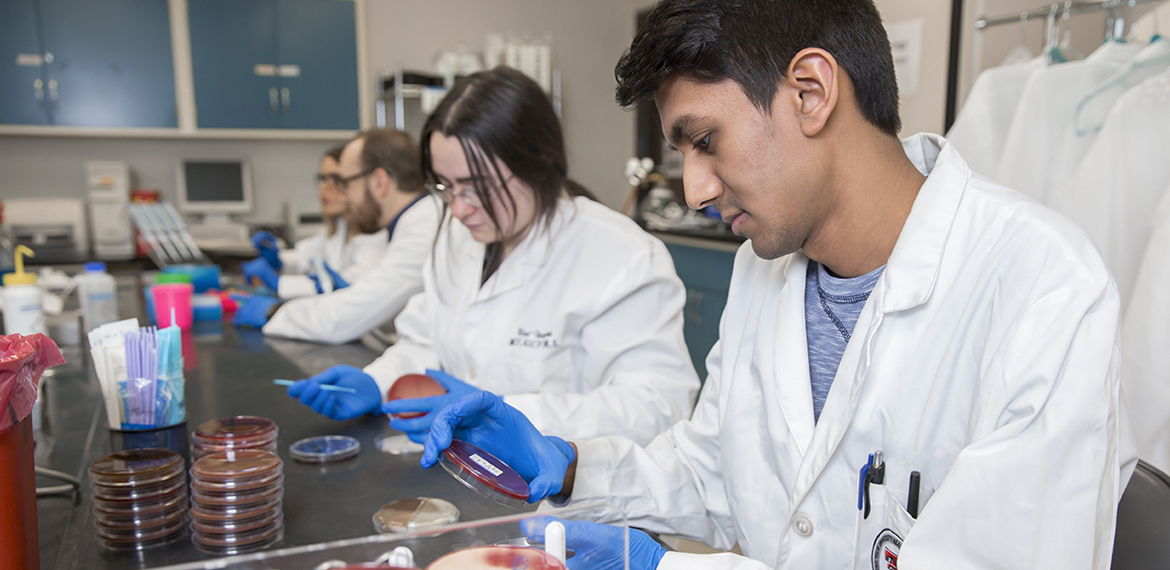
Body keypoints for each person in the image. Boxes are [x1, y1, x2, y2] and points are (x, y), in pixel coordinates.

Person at [420, 2, 1136, 569]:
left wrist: (667, 569)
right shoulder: (763, 268)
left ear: (811, 91)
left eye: (705, 141)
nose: (695, 189)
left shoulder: (1042, 288)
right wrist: (573, 465)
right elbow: (714, 473)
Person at [286, 67, 699, 445]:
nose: (459, 208)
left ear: (539, 161)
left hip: (564, 499)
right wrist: (376, 382)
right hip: (459, 472)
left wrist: (506, 413)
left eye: (476, 186)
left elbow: (657, 407)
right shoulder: (456, 237)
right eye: (446, 186)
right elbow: (425, 342)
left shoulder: (620, 255)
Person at [234, 129, 441, 336]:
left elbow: (346, 318)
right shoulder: (413, 224)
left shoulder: (423, 232)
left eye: (345, 184)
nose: (343, 197)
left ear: (379, 182)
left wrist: (274, 312)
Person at [242, 144, 388, 299]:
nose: (324, 187)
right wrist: (279, 261)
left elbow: (351, 287)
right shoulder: (339, 226)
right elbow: (305, 257)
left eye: (334, 179)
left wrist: (279, 284)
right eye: (322, 179)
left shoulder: (375, 235)